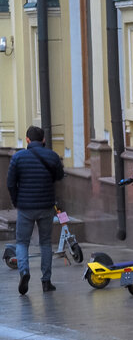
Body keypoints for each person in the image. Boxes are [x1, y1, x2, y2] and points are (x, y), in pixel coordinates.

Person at [7, 126, 65, 295]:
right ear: (44, 140)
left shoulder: (18, 158)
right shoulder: (52, 156)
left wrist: (16, 200)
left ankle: (24, 272)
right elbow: (60, 176)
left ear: (27, 140)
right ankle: (46, 281)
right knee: (45, 242)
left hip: (25, 207)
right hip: (46, 206)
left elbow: (10, 183)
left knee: (22, 242)